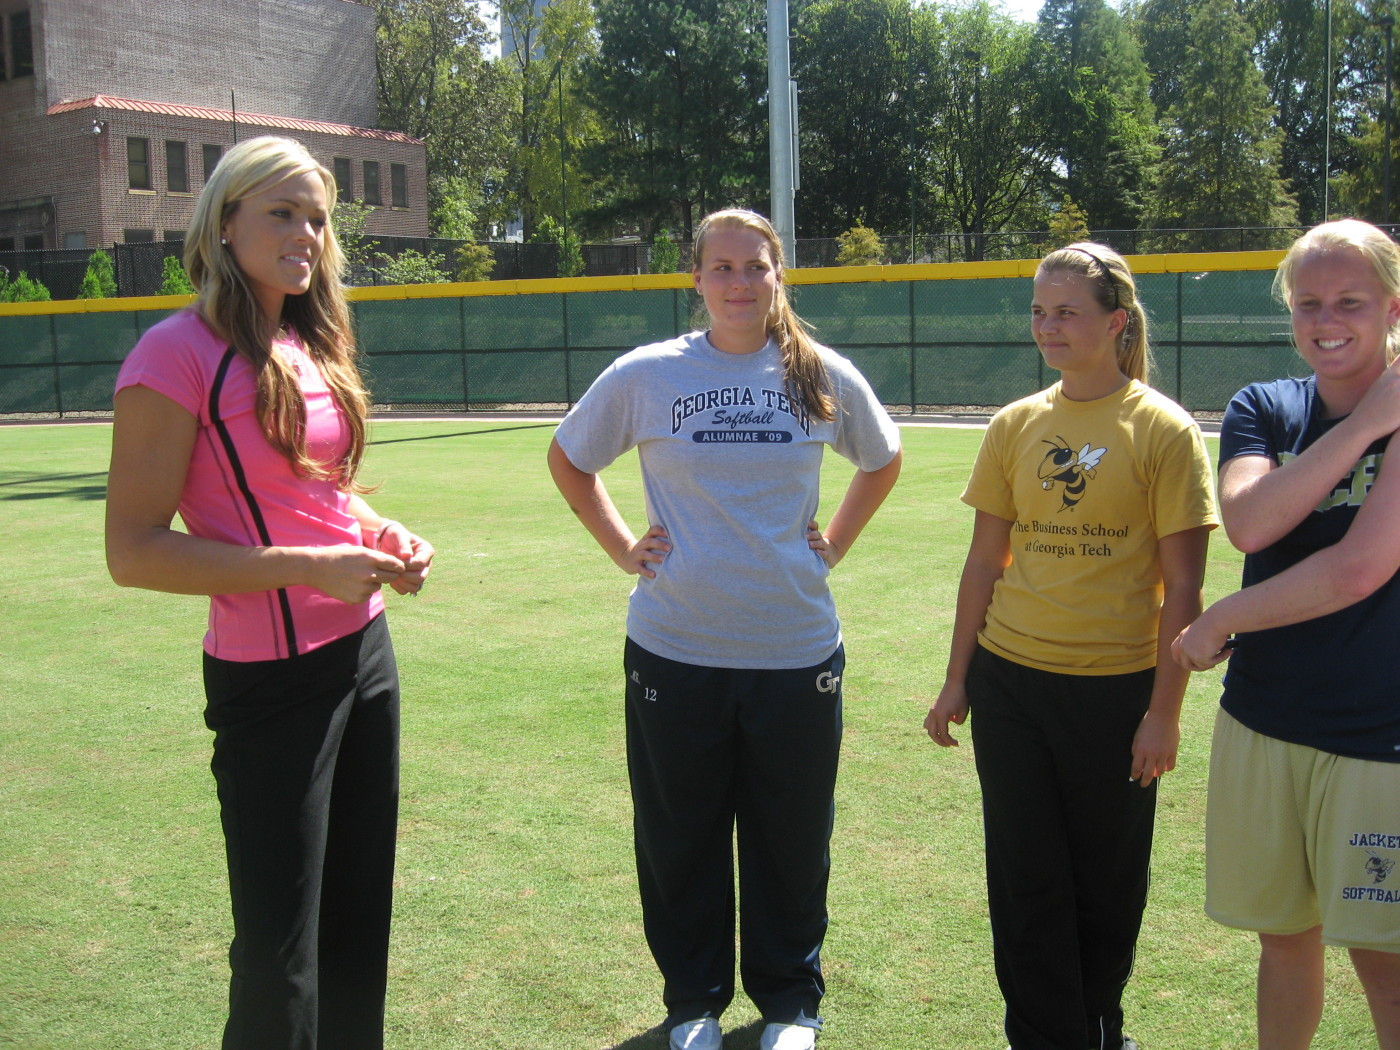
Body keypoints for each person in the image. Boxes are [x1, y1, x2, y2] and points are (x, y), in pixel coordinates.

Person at [104, 135, 433, 1050]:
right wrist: (303, 567)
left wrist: (380, 535)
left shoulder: (305, 339)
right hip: (271, 683)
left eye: (318, 218)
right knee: (279, 948)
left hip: (364, 655)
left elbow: (318, 497)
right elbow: (132, 551)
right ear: (226, 220)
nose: (306, 234)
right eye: (282, 212)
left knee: (358, 919)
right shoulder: (172, 355)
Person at [548, 208, 901, 1050]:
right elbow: (570, 457)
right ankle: (694, 1003)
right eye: (723, 268)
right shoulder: (649, 373)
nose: (740, 283)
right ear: (696, 278)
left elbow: (882, 460)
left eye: (756, 267)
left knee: (791, 834)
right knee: (682, 833)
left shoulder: (818, 373)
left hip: (795, 648)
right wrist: (622, 546)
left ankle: (789, 1006)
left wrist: (834, 543)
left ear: (780, 275)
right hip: (677, 646)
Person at [923, 243, 1218, 1050]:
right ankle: (1046, 1038)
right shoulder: (1017, 423)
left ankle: (1097, 1028)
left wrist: (1165, 713)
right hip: (1013, 684)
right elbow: (986, 560)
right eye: (1039, 312)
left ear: (1116, 324)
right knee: (1024, 880)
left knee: (1106, 883)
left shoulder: (1163, 430)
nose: (1048, 327)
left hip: (1116, 692)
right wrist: (958, 679)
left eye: (1068, 313)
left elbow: (1183, 591)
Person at [1172, 219, 1400, 1050]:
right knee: (1284, 938)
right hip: (1267, 718)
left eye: (1350, 301)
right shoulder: (1264, 405)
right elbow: (1250, 523)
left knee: (1386, 956)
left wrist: (1224, 618)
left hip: (1381, 735)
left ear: (1391, 308)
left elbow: (1358, 570)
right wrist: (1368, 422)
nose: (1327, 319)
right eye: (1309, 302)